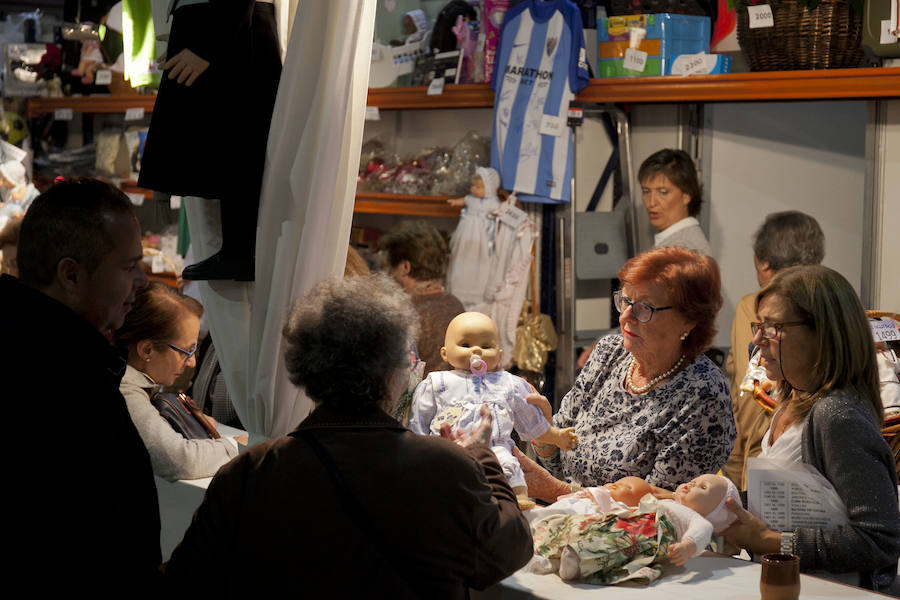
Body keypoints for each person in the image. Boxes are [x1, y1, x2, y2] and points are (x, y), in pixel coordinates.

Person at [165, 275, 533, 597]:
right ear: (396, 375)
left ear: (303, 369)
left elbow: (186, 581)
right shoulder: (445, 467)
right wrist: (482, 457)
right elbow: (509, 550)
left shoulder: (250, 472)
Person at [1, 178, 159, 592]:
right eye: (129, 268)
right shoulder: (64, 383)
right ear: (71, 275)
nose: (142, 282)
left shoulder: (53, 354)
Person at [722, 265, 900, 591]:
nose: (757, 339)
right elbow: (790, 502)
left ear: (823, 333)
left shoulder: (837, 415)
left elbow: (879, 539)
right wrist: (720, 503)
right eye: (759, 325)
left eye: (774, 327)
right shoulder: (791, 398)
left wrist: (769, 541)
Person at [518, 246, 735, 500]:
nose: (626, 317)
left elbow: (659, 511)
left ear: (688, 321)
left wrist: (557, 491)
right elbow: (560, 464)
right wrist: (542, 431)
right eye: (626, 301)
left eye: (645, 308)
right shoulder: (610, 352)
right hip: (571, 523)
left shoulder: (704, 396)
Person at [139, 1, 281, 280]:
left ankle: (238, 253)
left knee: (236, 138)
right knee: (230, 142)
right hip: (214, 26)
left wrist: (207, 44)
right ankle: (236, 252)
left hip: (220, 27)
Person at [409, 311, 577, 508]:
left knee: (508, 464)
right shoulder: (436, 383)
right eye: (465, 345)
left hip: (496, 447)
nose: (476, 351)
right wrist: (417, 450)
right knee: (444, 473)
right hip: (449, 447)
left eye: (486, 346)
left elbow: (530, 418)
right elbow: (418, 422)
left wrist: (555, 435)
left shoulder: (508, 384)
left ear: (499, 355)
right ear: (445, 353)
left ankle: (516, 497)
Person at [723, 211, 825, 490]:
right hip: (822, 460)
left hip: (769, 454)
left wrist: (734, 472)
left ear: (764, 263)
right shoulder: (833, 302)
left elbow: (748, 398)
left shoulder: (753, 306)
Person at [114, 282, 247, 481]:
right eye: (186, 351)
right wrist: (233, 446)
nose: (192, 363)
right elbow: (178, 460)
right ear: (147, 350)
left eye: (194, 351)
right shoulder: (126, 393)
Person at [531, 474, 741, 584]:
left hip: (653, 531)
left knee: (618, 543)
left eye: (703, 488)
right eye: (694, 481)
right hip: (633, 522)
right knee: (605, 533)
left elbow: (703, 529)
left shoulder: (691, 516)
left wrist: (688, 546)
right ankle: (558, 544)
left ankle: (578, 561)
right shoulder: (667, 502)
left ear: (712, 511)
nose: (691, 485)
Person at [380, 219, 465, 374]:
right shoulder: (456, 306)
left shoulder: (402, 314)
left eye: (389, 268)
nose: (389, 275)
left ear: (405, 267)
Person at [446, 166, 502, 309]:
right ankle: (460, 289)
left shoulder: (493, 202)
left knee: (480, 261)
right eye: (473, 186)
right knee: (461, 258)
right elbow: (463, 200)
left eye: (478, 187)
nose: (473, 189)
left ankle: (475, 292)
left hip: (481, 237)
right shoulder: (471, 199)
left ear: (489, 189)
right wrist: (454, 202)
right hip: (465, 235)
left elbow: (500, 211)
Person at [639, 149, 711, 256]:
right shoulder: (675, 243)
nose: (652, 202)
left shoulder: (682, 250)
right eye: (646, 191)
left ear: (686, 196)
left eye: (663, 192)